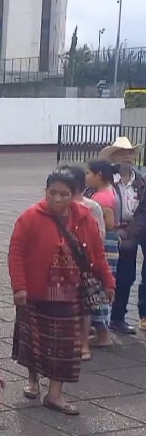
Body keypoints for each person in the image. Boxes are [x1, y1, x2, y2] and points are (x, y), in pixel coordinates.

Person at [9, 171, 115, 415]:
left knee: (66, 347)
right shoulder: (30, 218)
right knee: (32, 340)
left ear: (74, 194)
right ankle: (33, 381)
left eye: (64, 194)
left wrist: (108, 282)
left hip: (70, 291)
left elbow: (97, 254)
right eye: (52, 193)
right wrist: (20, 287)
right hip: (36, 291)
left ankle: (54, 394)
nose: (57, 199)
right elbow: (16, 253)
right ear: (45, 192)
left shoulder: (85, 218)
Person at [58, 165, 113, 358]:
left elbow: (99, 237)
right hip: (63, 265)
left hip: (84, 265)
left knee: (86, 306)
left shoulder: (91, 207)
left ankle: (84, 345)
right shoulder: (55, 209)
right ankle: (75, 342)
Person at [98, 138, 146, 334]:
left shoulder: (140, 180)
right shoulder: (107, 181)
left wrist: (131, 233)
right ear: (114, 157)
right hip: (114, 231)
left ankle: (123, 317)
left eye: (130, 153)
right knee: (118, 276)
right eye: (122, 153)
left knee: (131, 276)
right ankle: (109, 318)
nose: (127, 157)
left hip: (136, 229)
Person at [85, 160, 120, 282]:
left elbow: (109, 224)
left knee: (103, 277)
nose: (86, 177)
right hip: (112, 240)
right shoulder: (111, 189)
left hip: (106, 242)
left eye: (88, 173)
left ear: (98, 175)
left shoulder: (101, 197)